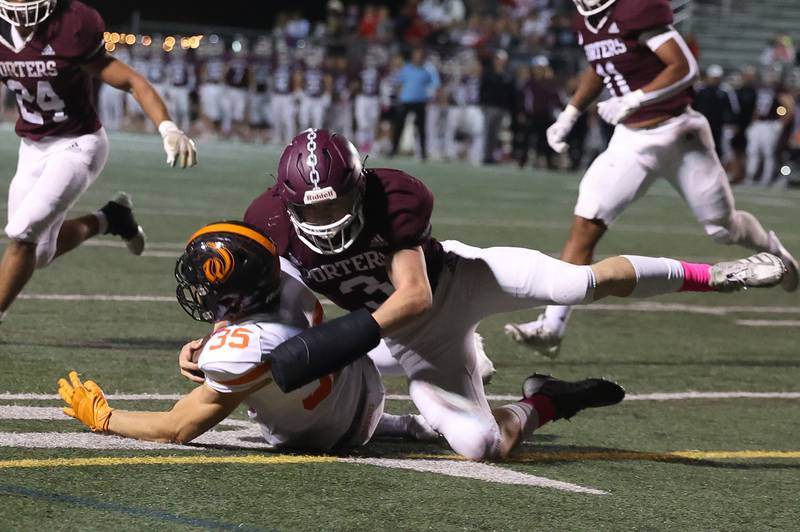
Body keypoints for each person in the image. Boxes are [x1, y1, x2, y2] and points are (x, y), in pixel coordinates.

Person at [197, 128, 785, 462]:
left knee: (577, 281)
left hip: (457, 283)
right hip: (399, 338)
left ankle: (720, 273)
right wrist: (217, 342)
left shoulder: (394, 196)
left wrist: (322, 344)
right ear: (286, 200)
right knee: (480, 445)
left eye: (336, 201)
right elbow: (269, 303)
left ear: (360, 184)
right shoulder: (267, 221)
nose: (326, 217)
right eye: (313, 207)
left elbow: (414, 298)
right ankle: (543, 402)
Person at [504, 0, 799, 358]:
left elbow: (684, 67)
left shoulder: (635, 8)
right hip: (631, 140)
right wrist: (570, 113)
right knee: (586, 225)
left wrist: (635, 99)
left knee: (723, 229)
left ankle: (773, 252)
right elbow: (600, 67)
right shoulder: (587, 19)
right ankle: (552, 325)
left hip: (679, 132)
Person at [59, 221, 438, 449]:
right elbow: (246, 322)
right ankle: (405, 421)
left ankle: (401, 421)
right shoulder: (285, 280)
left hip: (330, 434)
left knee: (239, 381)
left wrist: (104, 418)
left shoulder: (250, 348)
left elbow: (177, 427)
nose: (201, 292)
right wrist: (214, 338)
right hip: (361, 382)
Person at [0, 0, 197, 326]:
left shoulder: (70, 26)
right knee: (37, 254)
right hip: (32, 147)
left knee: (22, 234)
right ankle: (110, 218)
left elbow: (132, 81)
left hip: (78, 144)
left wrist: (168, 127)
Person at [390, 47, 439, 160]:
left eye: (420, 55)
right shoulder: (406, 68)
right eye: (416, 54)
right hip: (405, 101)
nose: (418, 57)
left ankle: (423, 152)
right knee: (399, 126)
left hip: (420, 101)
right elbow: (399, 83)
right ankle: (393, 150)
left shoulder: (428, 70)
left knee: (421, 128)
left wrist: (430, 96)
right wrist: (398, 98)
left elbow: (435, 85)